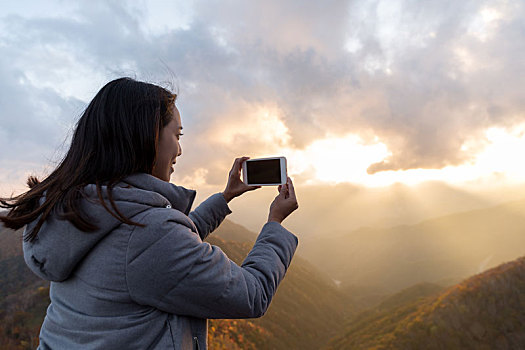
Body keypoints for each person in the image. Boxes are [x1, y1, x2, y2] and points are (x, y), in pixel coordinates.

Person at [0, 77, 299, 350]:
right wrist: (275, 223)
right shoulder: (147, 234)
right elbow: (252, 294)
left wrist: (226, 196)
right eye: (177, 134)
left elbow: (164, 247)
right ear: (148, 136)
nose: (180, 150)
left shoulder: (77, 207)